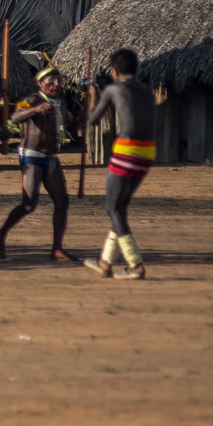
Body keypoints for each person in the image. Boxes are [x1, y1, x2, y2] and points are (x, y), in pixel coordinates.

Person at [0, 64, 78, 262]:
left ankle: (57, 248)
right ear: (40, 83)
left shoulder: (60, 104)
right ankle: (1, 233)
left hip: (51, 157)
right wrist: (35, 110)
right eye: (51, 81)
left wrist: (80, 119)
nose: (56, 84)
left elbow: (67, 124)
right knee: (29, 204)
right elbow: (15, 116)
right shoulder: (30, 100)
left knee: (62, 201)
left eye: (58, 81)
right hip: (31, 156)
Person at [85, 49, 156, 280]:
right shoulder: (147, 90)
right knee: (120, 207)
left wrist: (95, 94)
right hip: (147, 152)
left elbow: (93, 120)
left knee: (112, 208)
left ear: (114, 71)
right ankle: (105, 262)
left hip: (126, 150)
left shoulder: (114, 89)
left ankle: (135, 264)